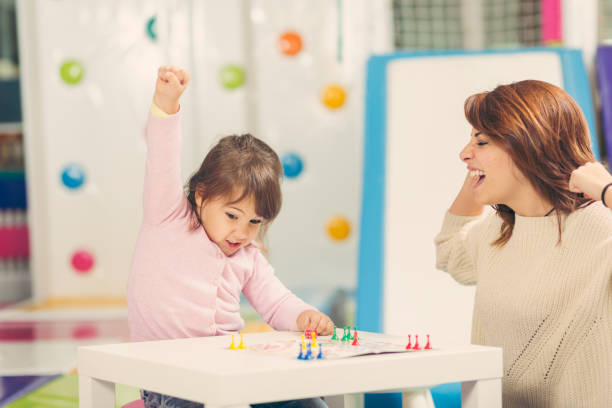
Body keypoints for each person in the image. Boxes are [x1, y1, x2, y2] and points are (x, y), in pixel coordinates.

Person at [128, 66, 333, 408]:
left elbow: (277, 302)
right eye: (232, 216)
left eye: (255, 221)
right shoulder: (166, 216)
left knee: (307, 401)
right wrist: (166, 104)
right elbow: (162, 157)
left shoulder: (248, 257)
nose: (242, 231)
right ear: (201, 196)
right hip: (170, 382)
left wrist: (304, 317)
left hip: (231, 372)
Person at [434, 80, 612, 407]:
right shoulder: (497, 231)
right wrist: (478, 167)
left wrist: (606, 189)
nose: (463, 154)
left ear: (529, 145)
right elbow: (449, 252)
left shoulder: (603, 231)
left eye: (482, 140)